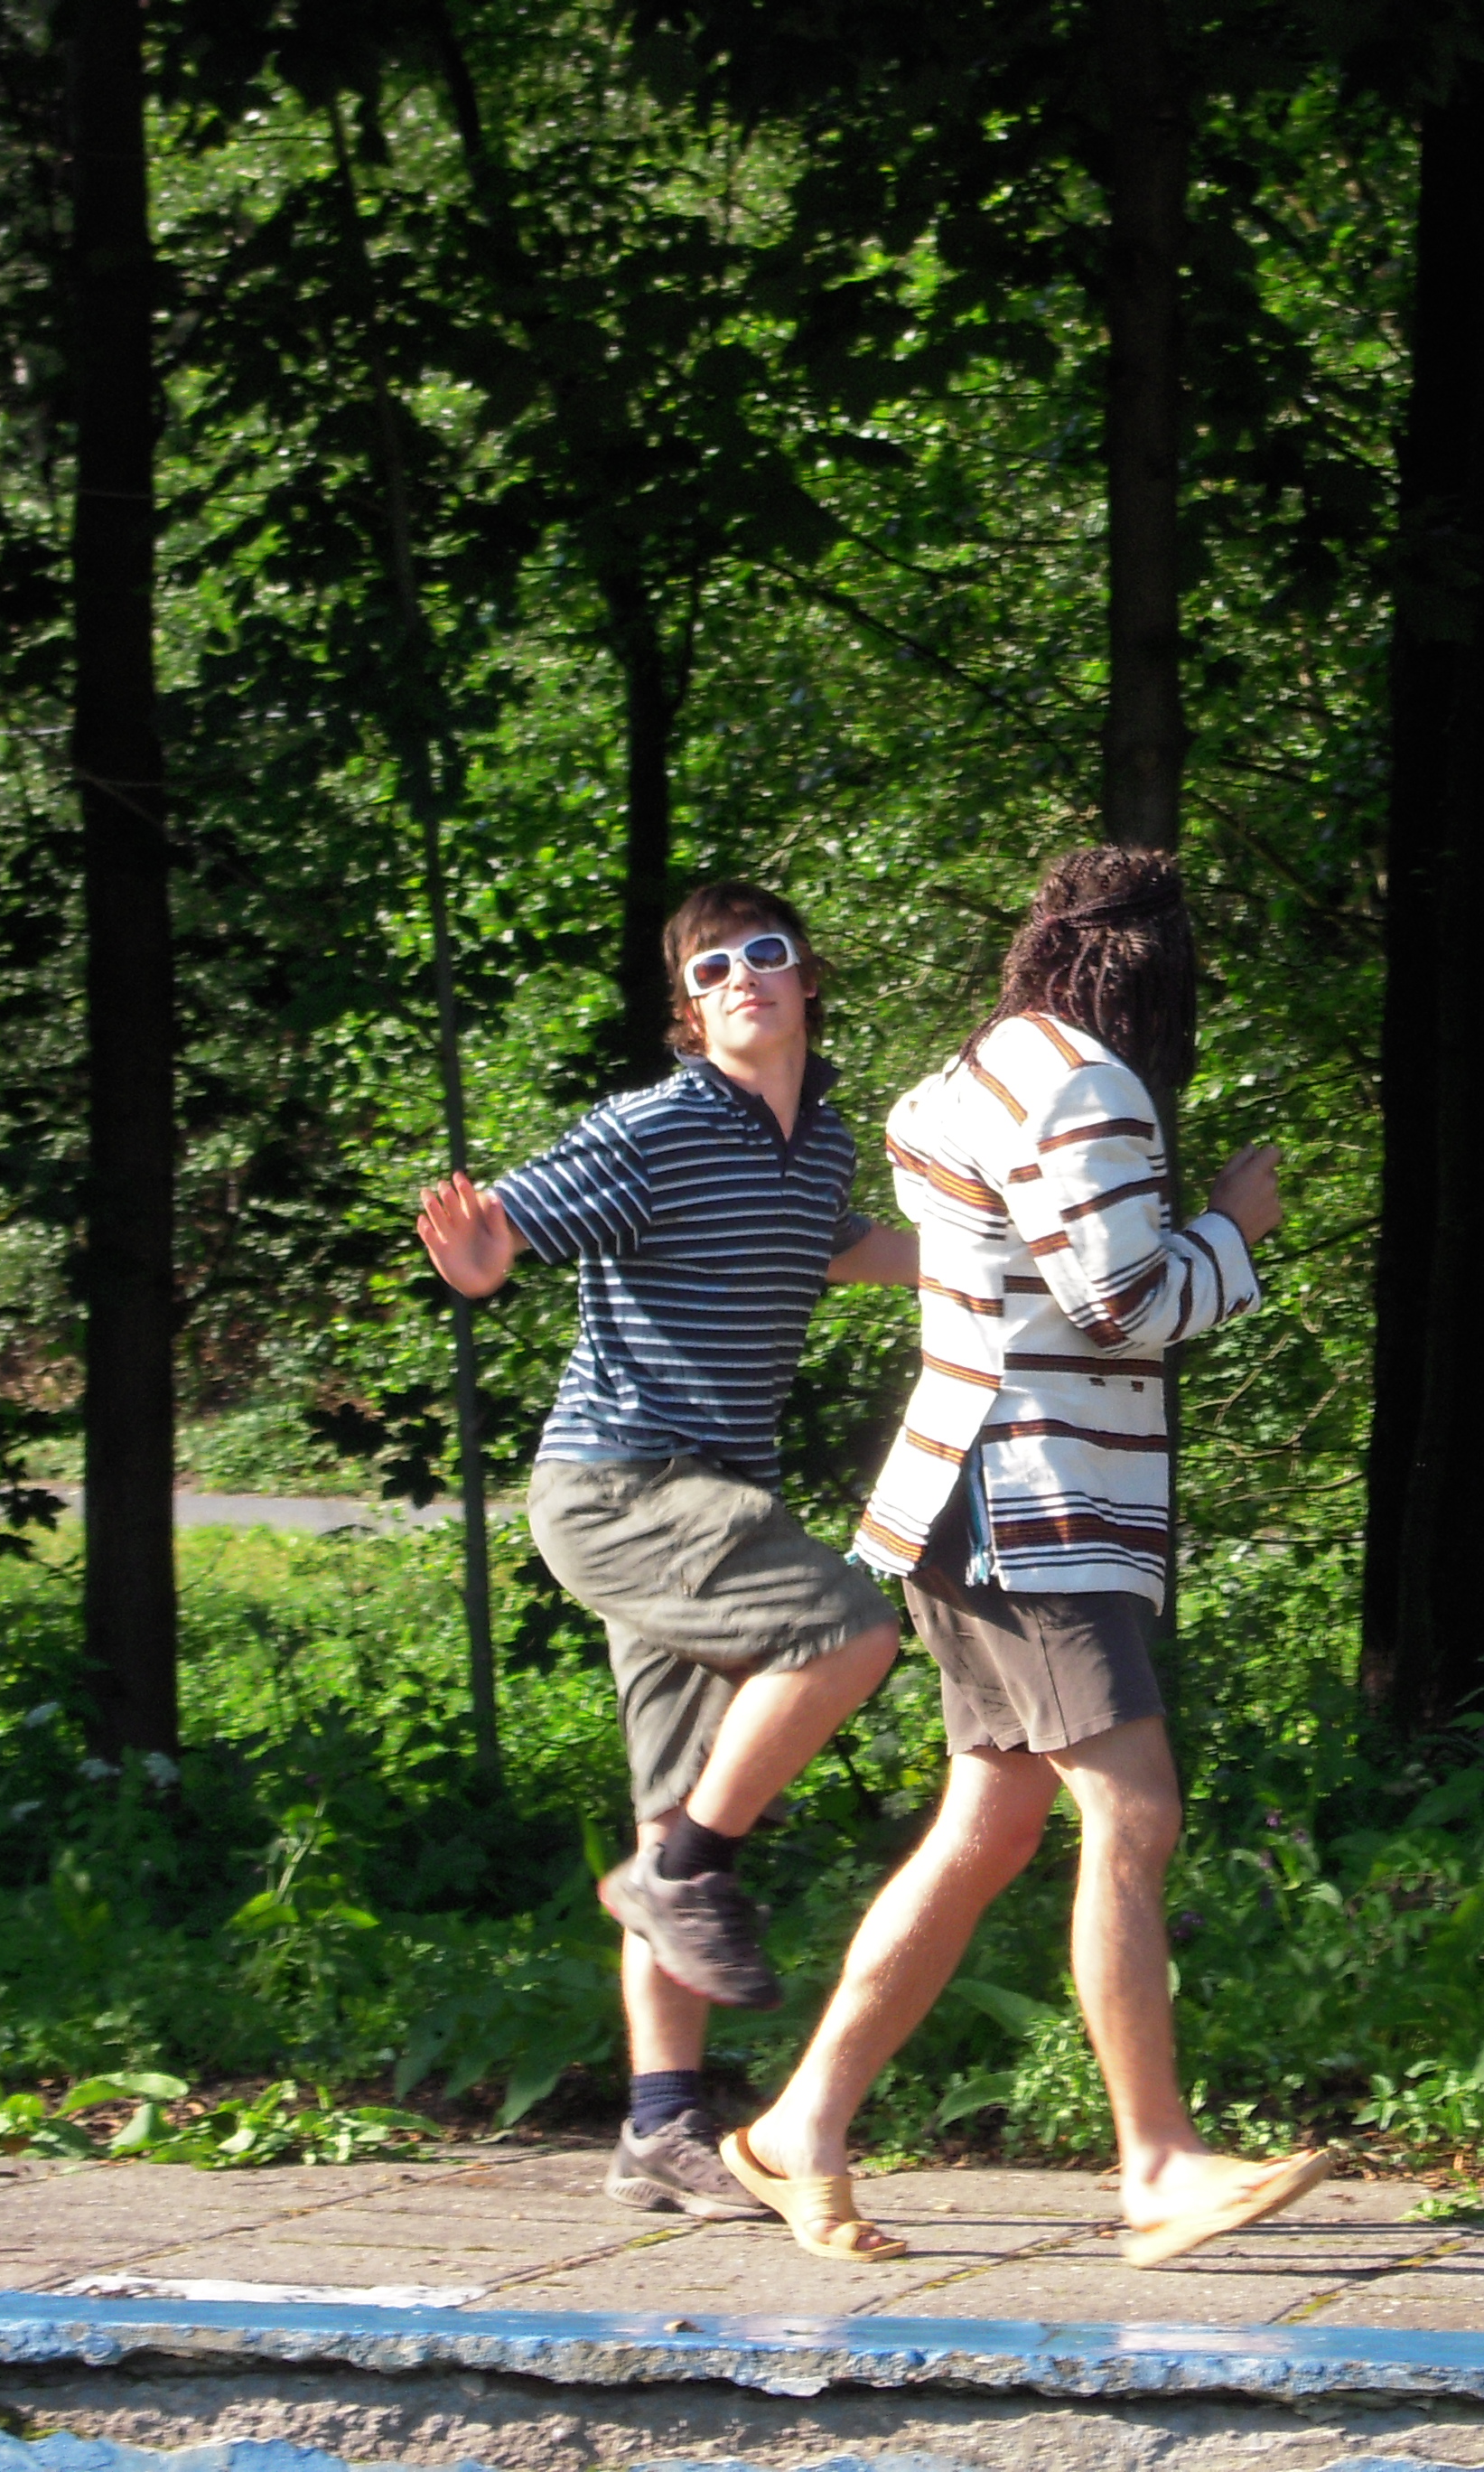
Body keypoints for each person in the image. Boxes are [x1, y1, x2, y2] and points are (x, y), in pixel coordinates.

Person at [717, 844, 1330, 2269]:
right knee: (1136, 1812)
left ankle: (799, 2126)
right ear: (1150, 971)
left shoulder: (974, 1073)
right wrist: (1233, 1231)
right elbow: (1124, 1304)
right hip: (1037, 1499)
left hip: (964, 1491)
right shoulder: (1084, 1086)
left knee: (989, 1826)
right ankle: (1159, 2164)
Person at [413, 881, 914, 2224]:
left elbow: (836, 1245)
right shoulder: (658, 1126)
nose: (742, 978)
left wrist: (991, 1264)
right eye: (711, 970)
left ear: (807, 978)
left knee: (678, 1799)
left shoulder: (818, 1141)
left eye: (765, 955)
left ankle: (660, 2129)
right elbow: (509, 1227)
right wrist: (480, 1258)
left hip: (707, 1501)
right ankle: (678, 1870)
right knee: (850, 1629)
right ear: (689, 1012)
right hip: (625, 1487)